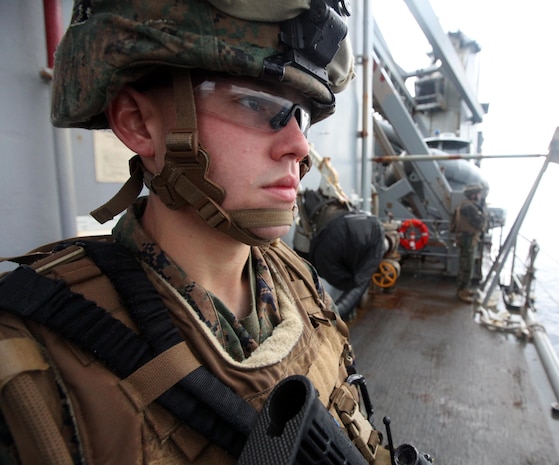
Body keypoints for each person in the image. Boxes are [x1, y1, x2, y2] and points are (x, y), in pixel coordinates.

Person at [0, 1, 392, 464]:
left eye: (301, 115)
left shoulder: (297, 277)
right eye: (255, 103)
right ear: (138, 123)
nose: (298, 147)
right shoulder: (31, 354)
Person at [451, 184, 487, 303]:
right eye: (478, 193)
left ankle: (464, 288)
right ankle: (461, 291)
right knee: (466, 266)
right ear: (473, 195)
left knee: (467, 264)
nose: (479, 196)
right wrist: (483, 213)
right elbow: (479, 223)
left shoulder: (466, 205)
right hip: (467, 238)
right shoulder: (469, 207)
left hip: (467, 238)